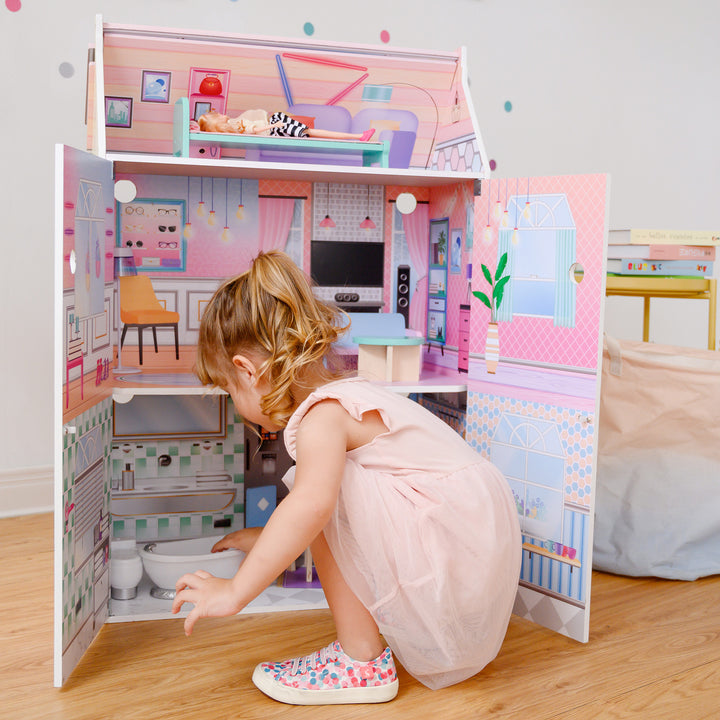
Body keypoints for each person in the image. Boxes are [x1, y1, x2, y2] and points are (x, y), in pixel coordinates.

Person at [172, 250, 522, 706]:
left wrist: (236, 592)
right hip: (473, 534)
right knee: (314, 492)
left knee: (315, 495)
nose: (235, 404)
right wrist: (266, 537)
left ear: (248, 371)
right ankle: (359, 655)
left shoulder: (322, 417)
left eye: (229, 390)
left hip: (459, 540)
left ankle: (360, 662)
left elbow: (314, 508)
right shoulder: (343, 397)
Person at [197, 109, 376, 141]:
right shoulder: (238, 126)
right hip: (275, 127)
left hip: (274, 123)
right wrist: (275, 125)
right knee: (312, 132)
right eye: (217, 115)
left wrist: (199, 127)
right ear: (217, 123)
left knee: (311, 130)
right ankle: (359, 136)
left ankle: (359, 136)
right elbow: (256, 129)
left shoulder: (233, 124)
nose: (221, 114)